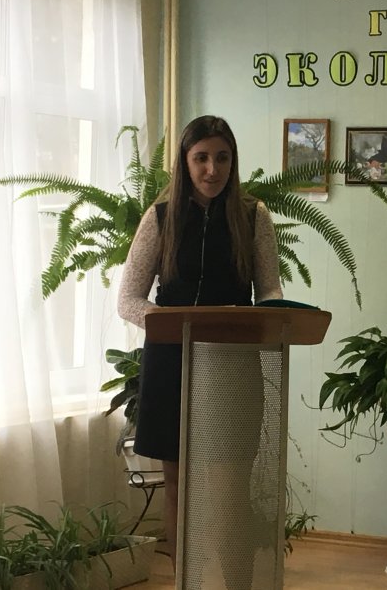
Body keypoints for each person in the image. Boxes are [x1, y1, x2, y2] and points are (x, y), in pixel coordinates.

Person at [118, 115, 282, 583]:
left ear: (233, 162)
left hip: (234, 367)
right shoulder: (160, 218)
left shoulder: (254, 216)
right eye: (202, 158)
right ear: (185, 162)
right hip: (170, 366)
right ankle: (186, 583)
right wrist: (175, 326)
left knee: (231, 495)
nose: (213, 169)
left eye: (222, 158)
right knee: (177, 489)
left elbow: (270, 290)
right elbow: (128, 299)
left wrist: (273, 316)